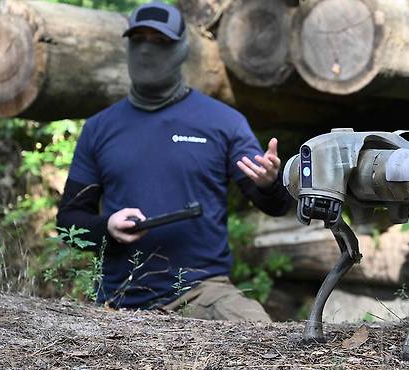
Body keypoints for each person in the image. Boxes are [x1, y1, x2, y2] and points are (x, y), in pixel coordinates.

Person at [56, 1, 292, 321]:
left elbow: (275, 206)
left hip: (202, 292)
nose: (146, 51)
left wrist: (270, 183)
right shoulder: (100, 128)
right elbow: (68, 220)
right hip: (120, 298)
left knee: (258, 331)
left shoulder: (223, 122)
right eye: (138, 40)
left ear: (182, 49)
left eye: (160, 41)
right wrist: (107, 227)